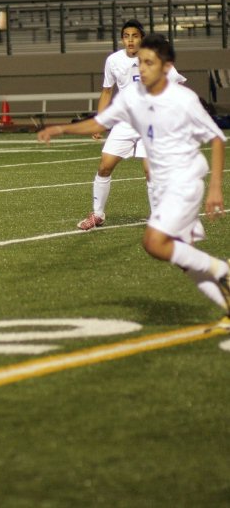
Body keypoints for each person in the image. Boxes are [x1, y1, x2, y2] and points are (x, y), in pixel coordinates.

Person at [38, 34, 229, 330]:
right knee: (184, 261)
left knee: (153, 242)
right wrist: (62, 128)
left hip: (185, 182)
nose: (142, 68)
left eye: (149, 62)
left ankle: (222, 270)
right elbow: (101, 122)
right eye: (140, 62)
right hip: (167, 186)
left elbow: (216, 138)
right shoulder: (133, 95)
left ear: (167, 67)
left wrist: (215, 187)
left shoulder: (183, 99)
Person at [76, 19, 186, 231]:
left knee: (150, 171)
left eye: (134, 36)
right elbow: (107, 91)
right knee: (104, 166)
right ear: (122, 39)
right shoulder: (113, 60)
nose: (130, 40)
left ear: (141, 38)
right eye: (126, 36)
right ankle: (97, 214)